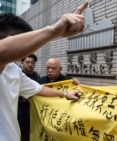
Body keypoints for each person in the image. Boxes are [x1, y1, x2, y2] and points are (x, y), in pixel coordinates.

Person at [0, 1, 89, 141]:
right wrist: (54, 31)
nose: (28, 50)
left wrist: (65, 93)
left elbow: (38, 89)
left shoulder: (14, 70)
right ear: (11, 40)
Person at [19, 54, 40, 141]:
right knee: (21, 133)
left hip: (34, 110)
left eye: (32, 62)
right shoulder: (18, 75)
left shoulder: (37, 75)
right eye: (28, 62)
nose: (30, 64)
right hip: (20, 110)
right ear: (22, 63)